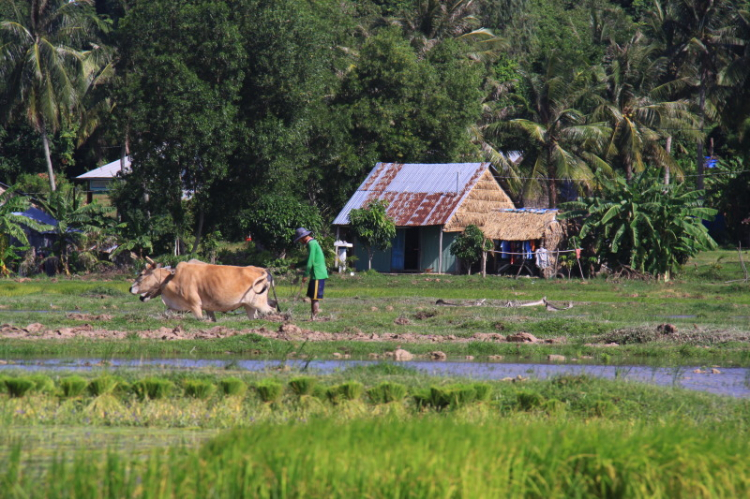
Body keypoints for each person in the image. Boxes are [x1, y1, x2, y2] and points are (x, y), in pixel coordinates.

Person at [293, 227, 328, 320]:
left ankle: (314, 317)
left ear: (303, 237)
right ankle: (313, 316)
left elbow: (310, 261)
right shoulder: (311, 243)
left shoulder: (312, 244)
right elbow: (308, 260)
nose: (300, 242)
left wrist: (305, 275)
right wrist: (296, 265)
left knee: (315, 297)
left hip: (318, 274)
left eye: (299, 240)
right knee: (313, 296)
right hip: (315, 274)